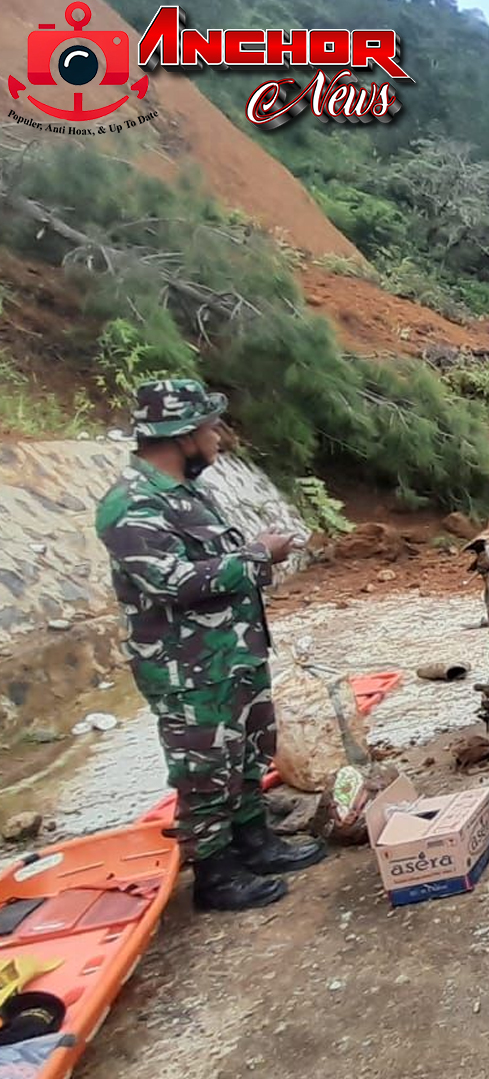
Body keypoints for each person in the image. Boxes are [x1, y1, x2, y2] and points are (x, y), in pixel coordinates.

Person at [96, 379, 321, 912]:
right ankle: (216, 874)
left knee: (246, 752)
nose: (219, 437)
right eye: (210, 428)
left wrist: (259, 554)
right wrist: (256, 556)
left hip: (233, 653)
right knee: (203, 768)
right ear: (180, 435)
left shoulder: (189, 492)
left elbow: (211, 566)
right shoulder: (129, 506)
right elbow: (172, 582)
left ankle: (254, 841)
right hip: (187, 669)